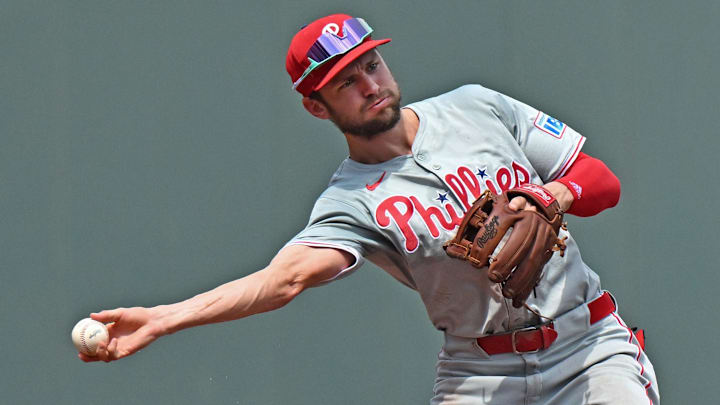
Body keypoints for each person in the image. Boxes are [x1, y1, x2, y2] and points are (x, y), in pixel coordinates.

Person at [80, 13, 659, 404]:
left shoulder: (476, 106)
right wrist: (163, 317)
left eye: (371, 66)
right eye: (345, 82)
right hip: (480, 375)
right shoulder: (350, 202)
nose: (369, 84)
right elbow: (284, 282)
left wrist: (550, 196)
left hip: (588, 348)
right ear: (316, 107)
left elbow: (601, 182)